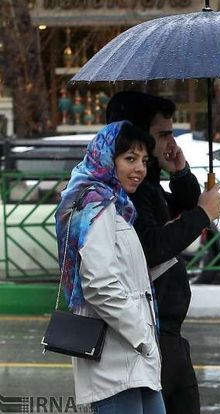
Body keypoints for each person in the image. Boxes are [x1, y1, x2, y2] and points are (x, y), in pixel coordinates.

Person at [106, 91, 220, 414]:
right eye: (163, 134)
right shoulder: (128, 193)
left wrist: (181, 172)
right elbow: (153, 246)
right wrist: (201, 214)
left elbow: (181, 206)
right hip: (150, 332)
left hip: (168, 333)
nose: (170, 141)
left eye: (172, 132)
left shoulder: (148, 183)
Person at [55, 121, 165, 413]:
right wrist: (142, 336)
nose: (140, 168)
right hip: (116, 357)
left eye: (144, 160)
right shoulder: (97, 205)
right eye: (130, 159)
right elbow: (99, 284)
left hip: (131, 355)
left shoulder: (115, 205)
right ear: (106, 158)